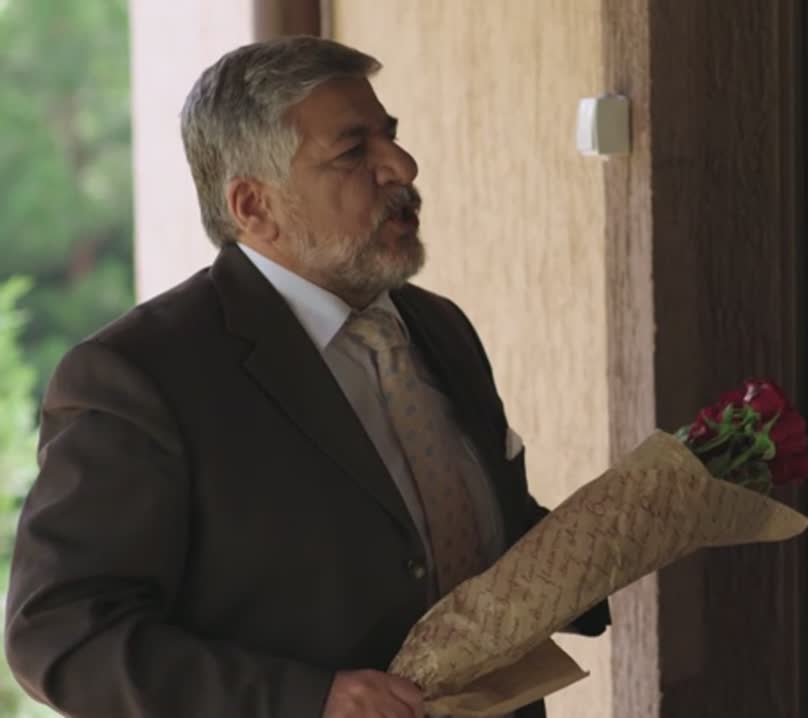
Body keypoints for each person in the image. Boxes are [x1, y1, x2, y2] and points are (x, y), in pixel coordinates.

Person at [3, 36, 608, 718]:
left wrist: (656, 506)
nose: (402, 166)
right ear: (253, 207)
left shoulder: (440, 328)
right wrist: (308, 700)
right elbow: (61, 637)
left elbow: (479, 537)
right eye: (353, 152)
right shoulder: (140, 376)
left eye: (391, 135)